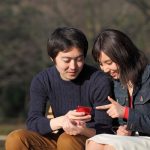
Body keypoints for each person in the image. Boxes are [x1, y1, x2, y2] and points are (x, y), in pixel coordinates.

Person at [5, 27, 113, 150]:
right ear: (52, 58)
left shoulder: (98, 80)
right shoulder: (42, 80)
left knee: (67, 140)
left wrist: (82, 129)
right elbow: (33, 122)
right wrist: (62, 121)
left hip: (87, 139)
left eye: (79, 59)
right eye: (66, 60)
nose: (73, 66)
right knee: (16, 138)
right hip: (56, 138)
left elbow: (105, 129)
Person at [86, 28, 150, 150]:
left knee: (111, 147)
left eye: (108, 62)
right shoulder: (114, 83)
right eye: (101, 64)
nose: (104, 69)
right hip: (130, 139)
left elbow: (127, 114)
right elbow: (113, 125)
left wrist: (126, 113)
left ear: (123, 55)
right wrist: (122, 129)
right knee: (93, 143)